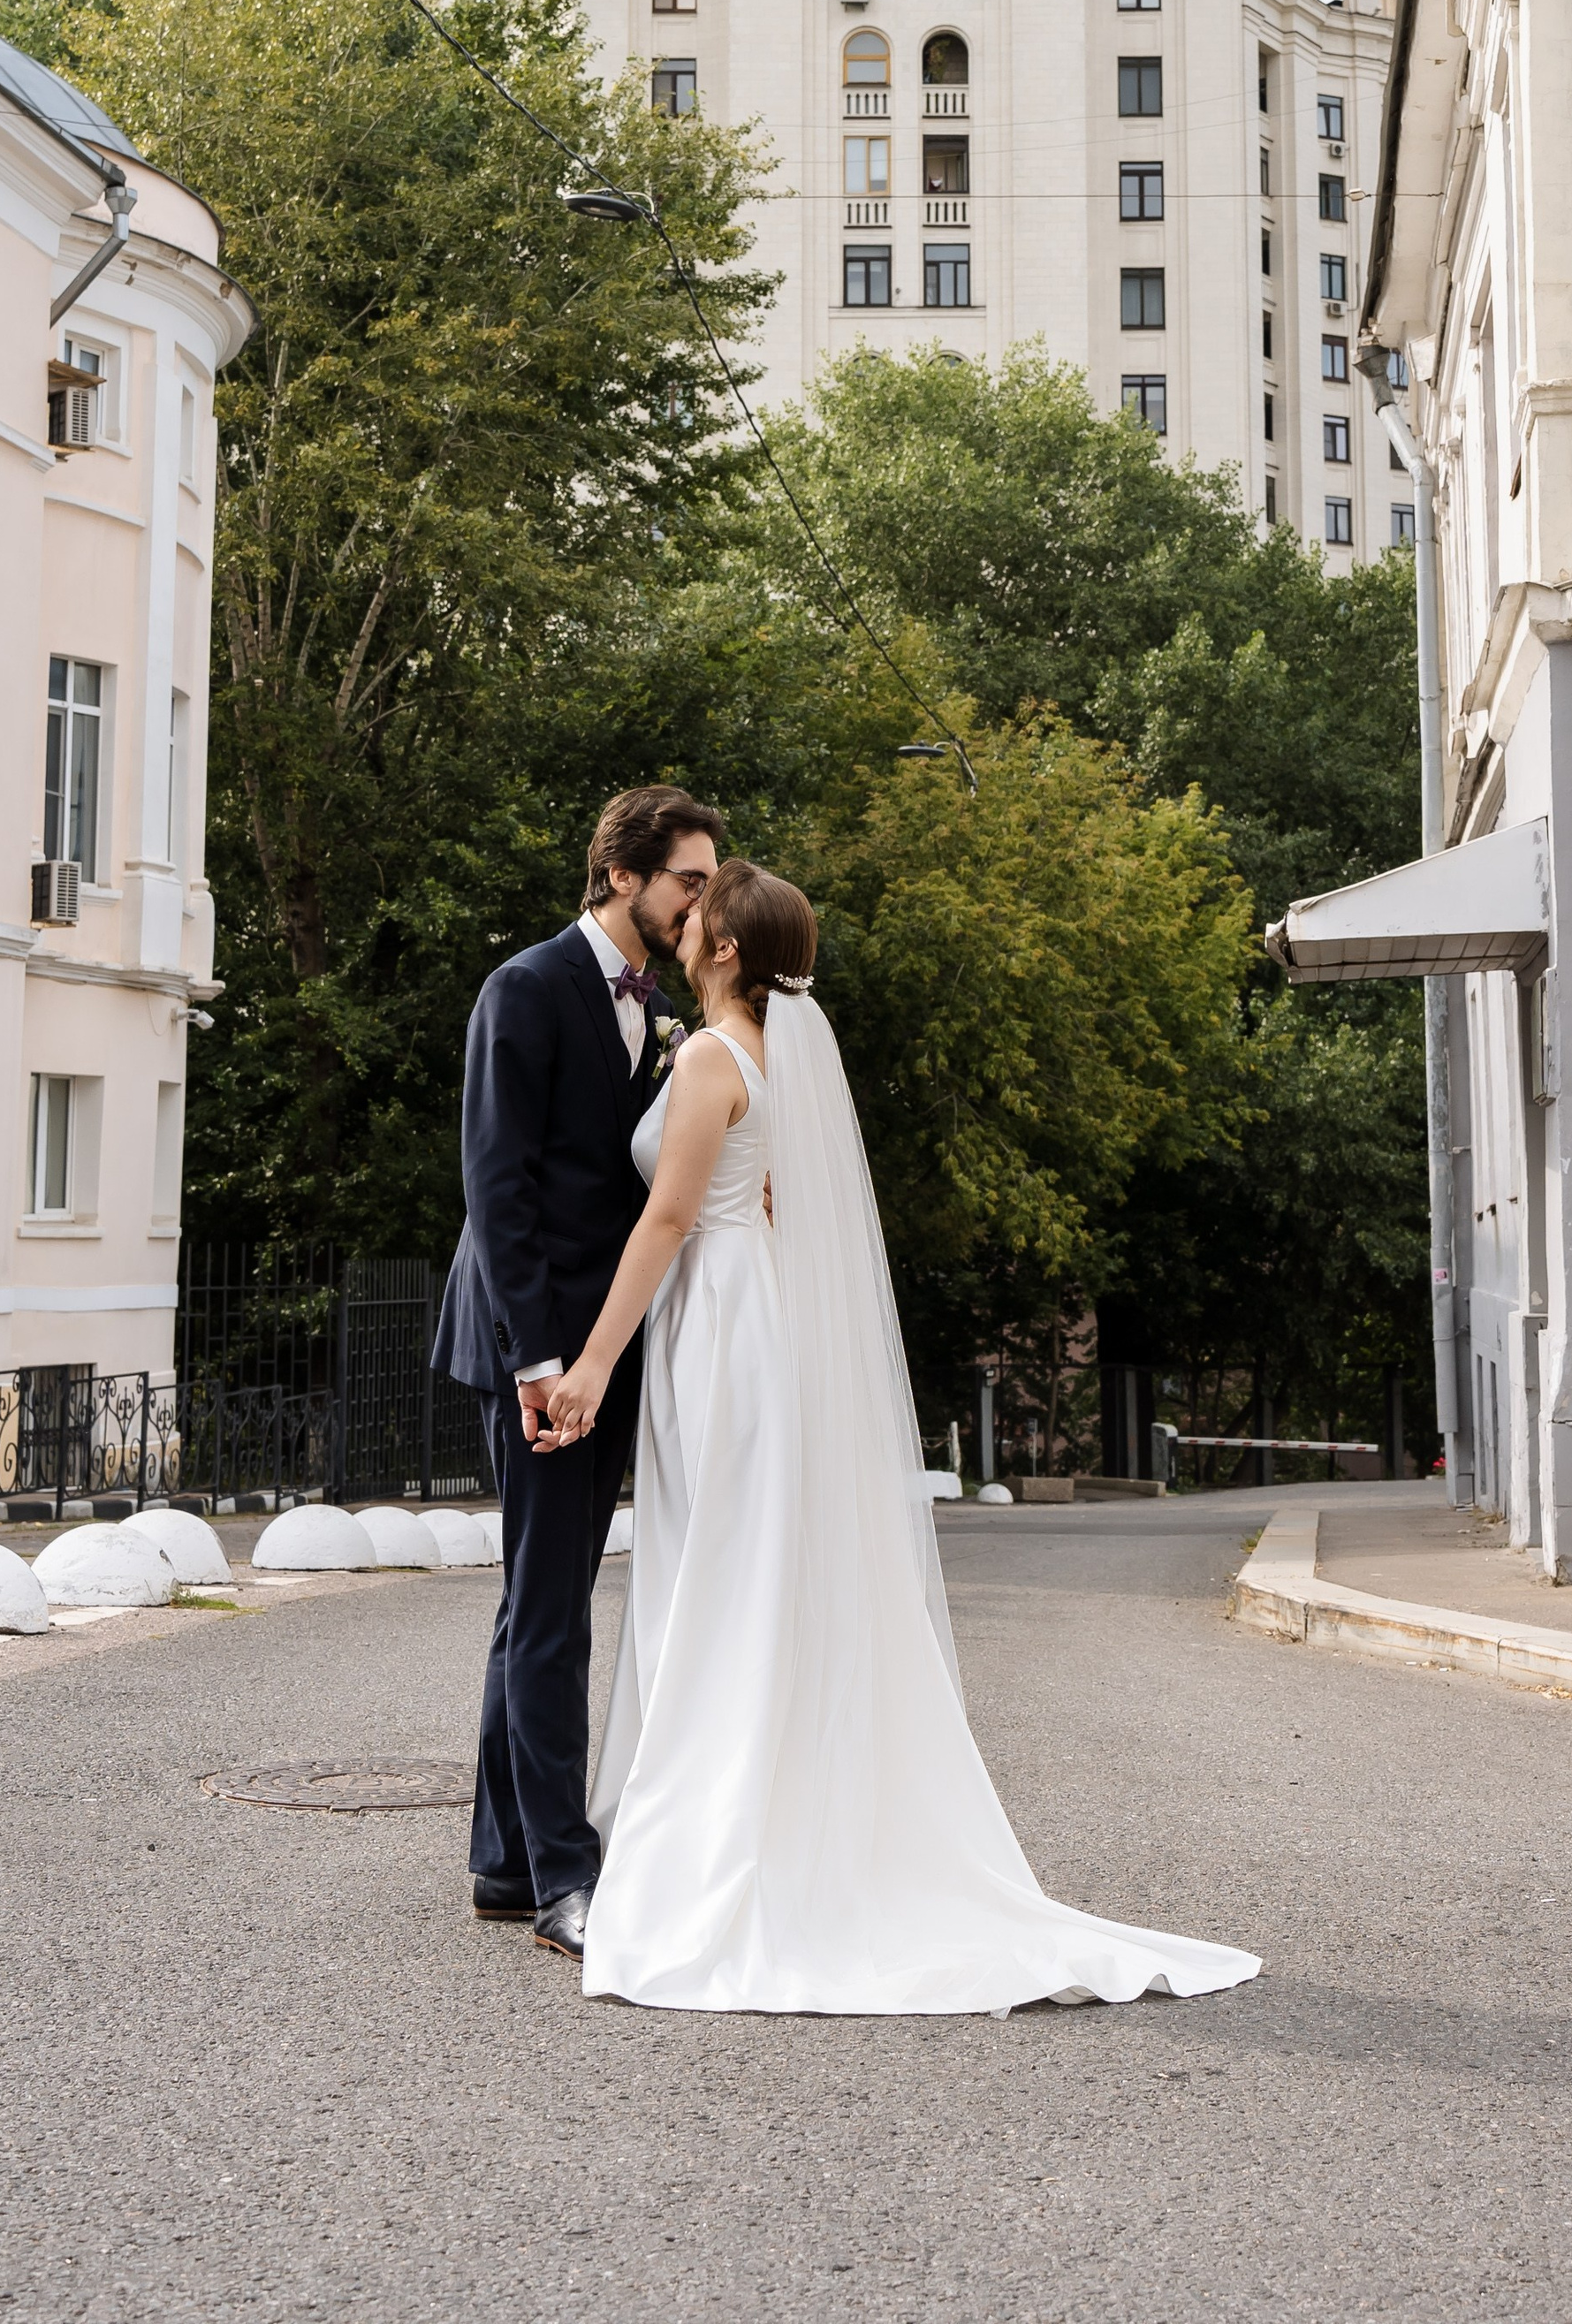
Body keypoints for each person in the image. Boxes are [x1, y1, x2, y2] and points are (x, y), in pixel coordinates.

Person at [535, 857, 1262, 2016]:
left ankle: (713, 1837)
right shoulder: (764, 1057)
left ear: (726, 950)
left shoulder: (716, 1057)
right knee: (740, 1574)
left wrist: (591, 1366)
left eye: (703, 916)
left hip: (714, 1330)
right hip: (744, 1314)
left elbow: (672, 1216)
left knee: (717, 1576)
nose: (685, 922)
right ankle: (748, 1813)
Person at [432, 784, 724, 1955]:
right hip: (540, 1352)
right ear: (621, 874)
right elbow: (496, 1191)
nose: (702, 900)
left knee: (538, 1602)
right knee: (551, 1613)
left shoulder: (656, 1005)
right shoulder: (525, 988)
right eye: (688, 880)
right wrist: (541, 1364)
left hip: (600, 1350)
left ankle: (505, 1863)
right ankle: (566, 1878)